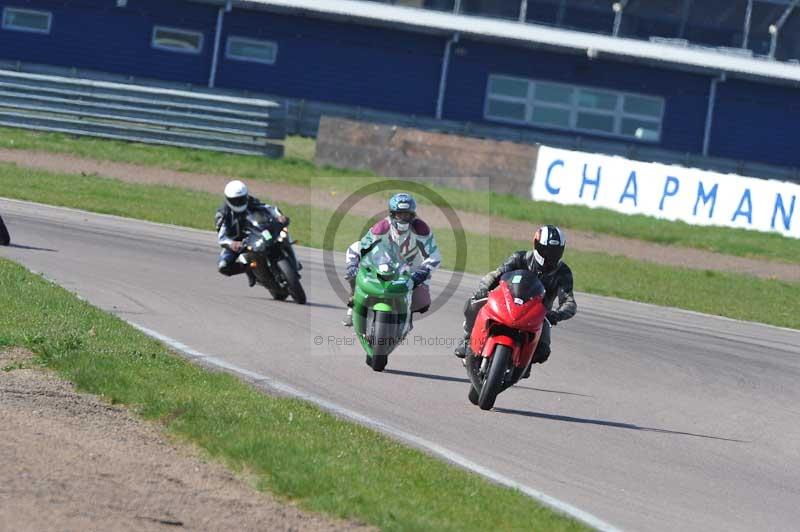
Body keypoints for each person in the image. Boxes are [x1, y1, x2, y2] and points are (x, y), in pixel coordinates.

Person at [454, 225, 576, 377]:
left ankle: (523, 363)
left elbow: (570, 302)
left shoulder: (562, 272)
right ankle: (467, 338)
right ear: (536, 245)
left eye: (555, 252)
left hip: (537, 315)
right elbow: (496, 274)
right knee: (473, 304)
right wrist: (485, 289)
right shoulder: (520, 258)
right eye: (546, 250)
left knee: (543, 351)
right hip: (507, 303)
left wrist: (556, 314)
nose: (550, 255)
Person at [342, 192, 441, 326]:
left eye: (407, 215)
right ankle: (352, 307)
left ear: (413, 215)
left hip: (412, 272)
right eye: (400, 214)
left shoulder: (421, 229)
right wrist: (352, 266)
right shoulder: (382, 227)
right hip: (383, 267)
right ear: (393, 214)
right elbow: (358, 246)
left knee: (422, 303)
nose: (403, 219)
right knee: (354, 275)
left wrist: (423, 271)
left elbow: (434, 256)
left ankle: (407, 316)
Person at [215, 180, 289, 287]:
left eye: (241, 199)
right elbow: (222, 237)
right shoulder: (223, 214)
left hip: (258, 233)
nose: (239, 202)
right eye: (235, 200)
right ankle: (249, 268)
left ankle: (286, 252)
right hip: (238, 242)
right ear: (228, 200)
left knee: (278, 235)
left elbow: (269, 208)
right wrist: (232, 244)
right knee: (223, 266)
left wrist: (278, 216)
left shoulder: (251, 201)